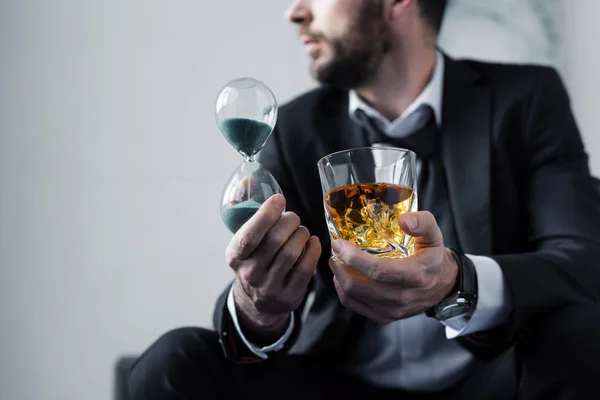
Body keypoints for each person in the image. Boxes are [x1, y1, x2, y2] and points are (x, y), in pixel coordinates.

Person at [128, 0, 600, 398]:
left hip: (488, 379)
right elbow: (266, 293)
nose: (295, 12)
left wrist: (457, 282)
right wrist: (259, 309)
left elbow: (584, 261)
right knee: (172, 363)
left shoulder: (527, 98)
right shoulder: (293, 128)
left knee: (582, 333)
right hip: (335, 381)